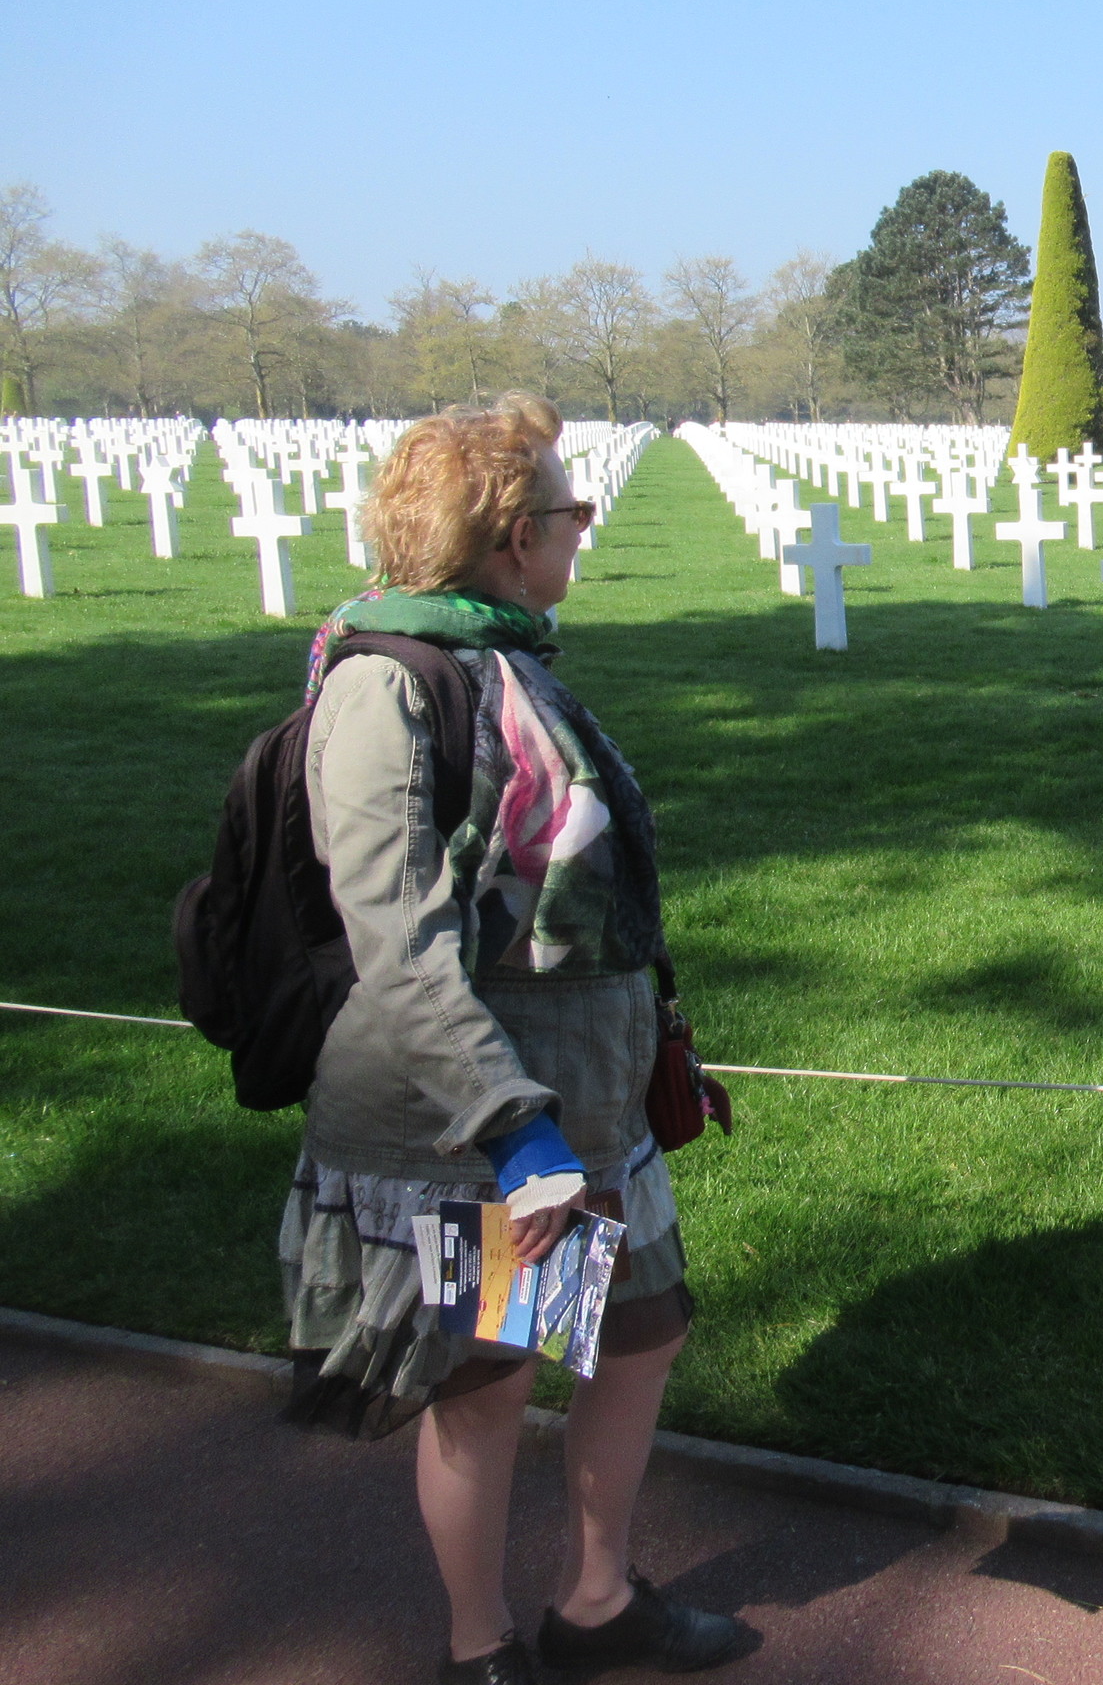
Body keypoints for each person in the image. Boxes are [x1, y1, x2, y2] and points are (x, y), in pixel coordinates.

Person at [276, 394, 750, 1684]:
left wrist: (645, 1039)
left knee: (642, 1330)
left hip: (590, 1105)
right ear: (508, 539)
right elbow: (398, 938)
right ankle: (477, 1649)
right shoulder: (387, 687)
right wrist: (517, 1132)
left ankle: (596, 1602)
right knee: (489, 1386)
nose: (585, 526)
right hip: (486, 1128)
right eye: (568, 509)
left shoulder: (509, 661)